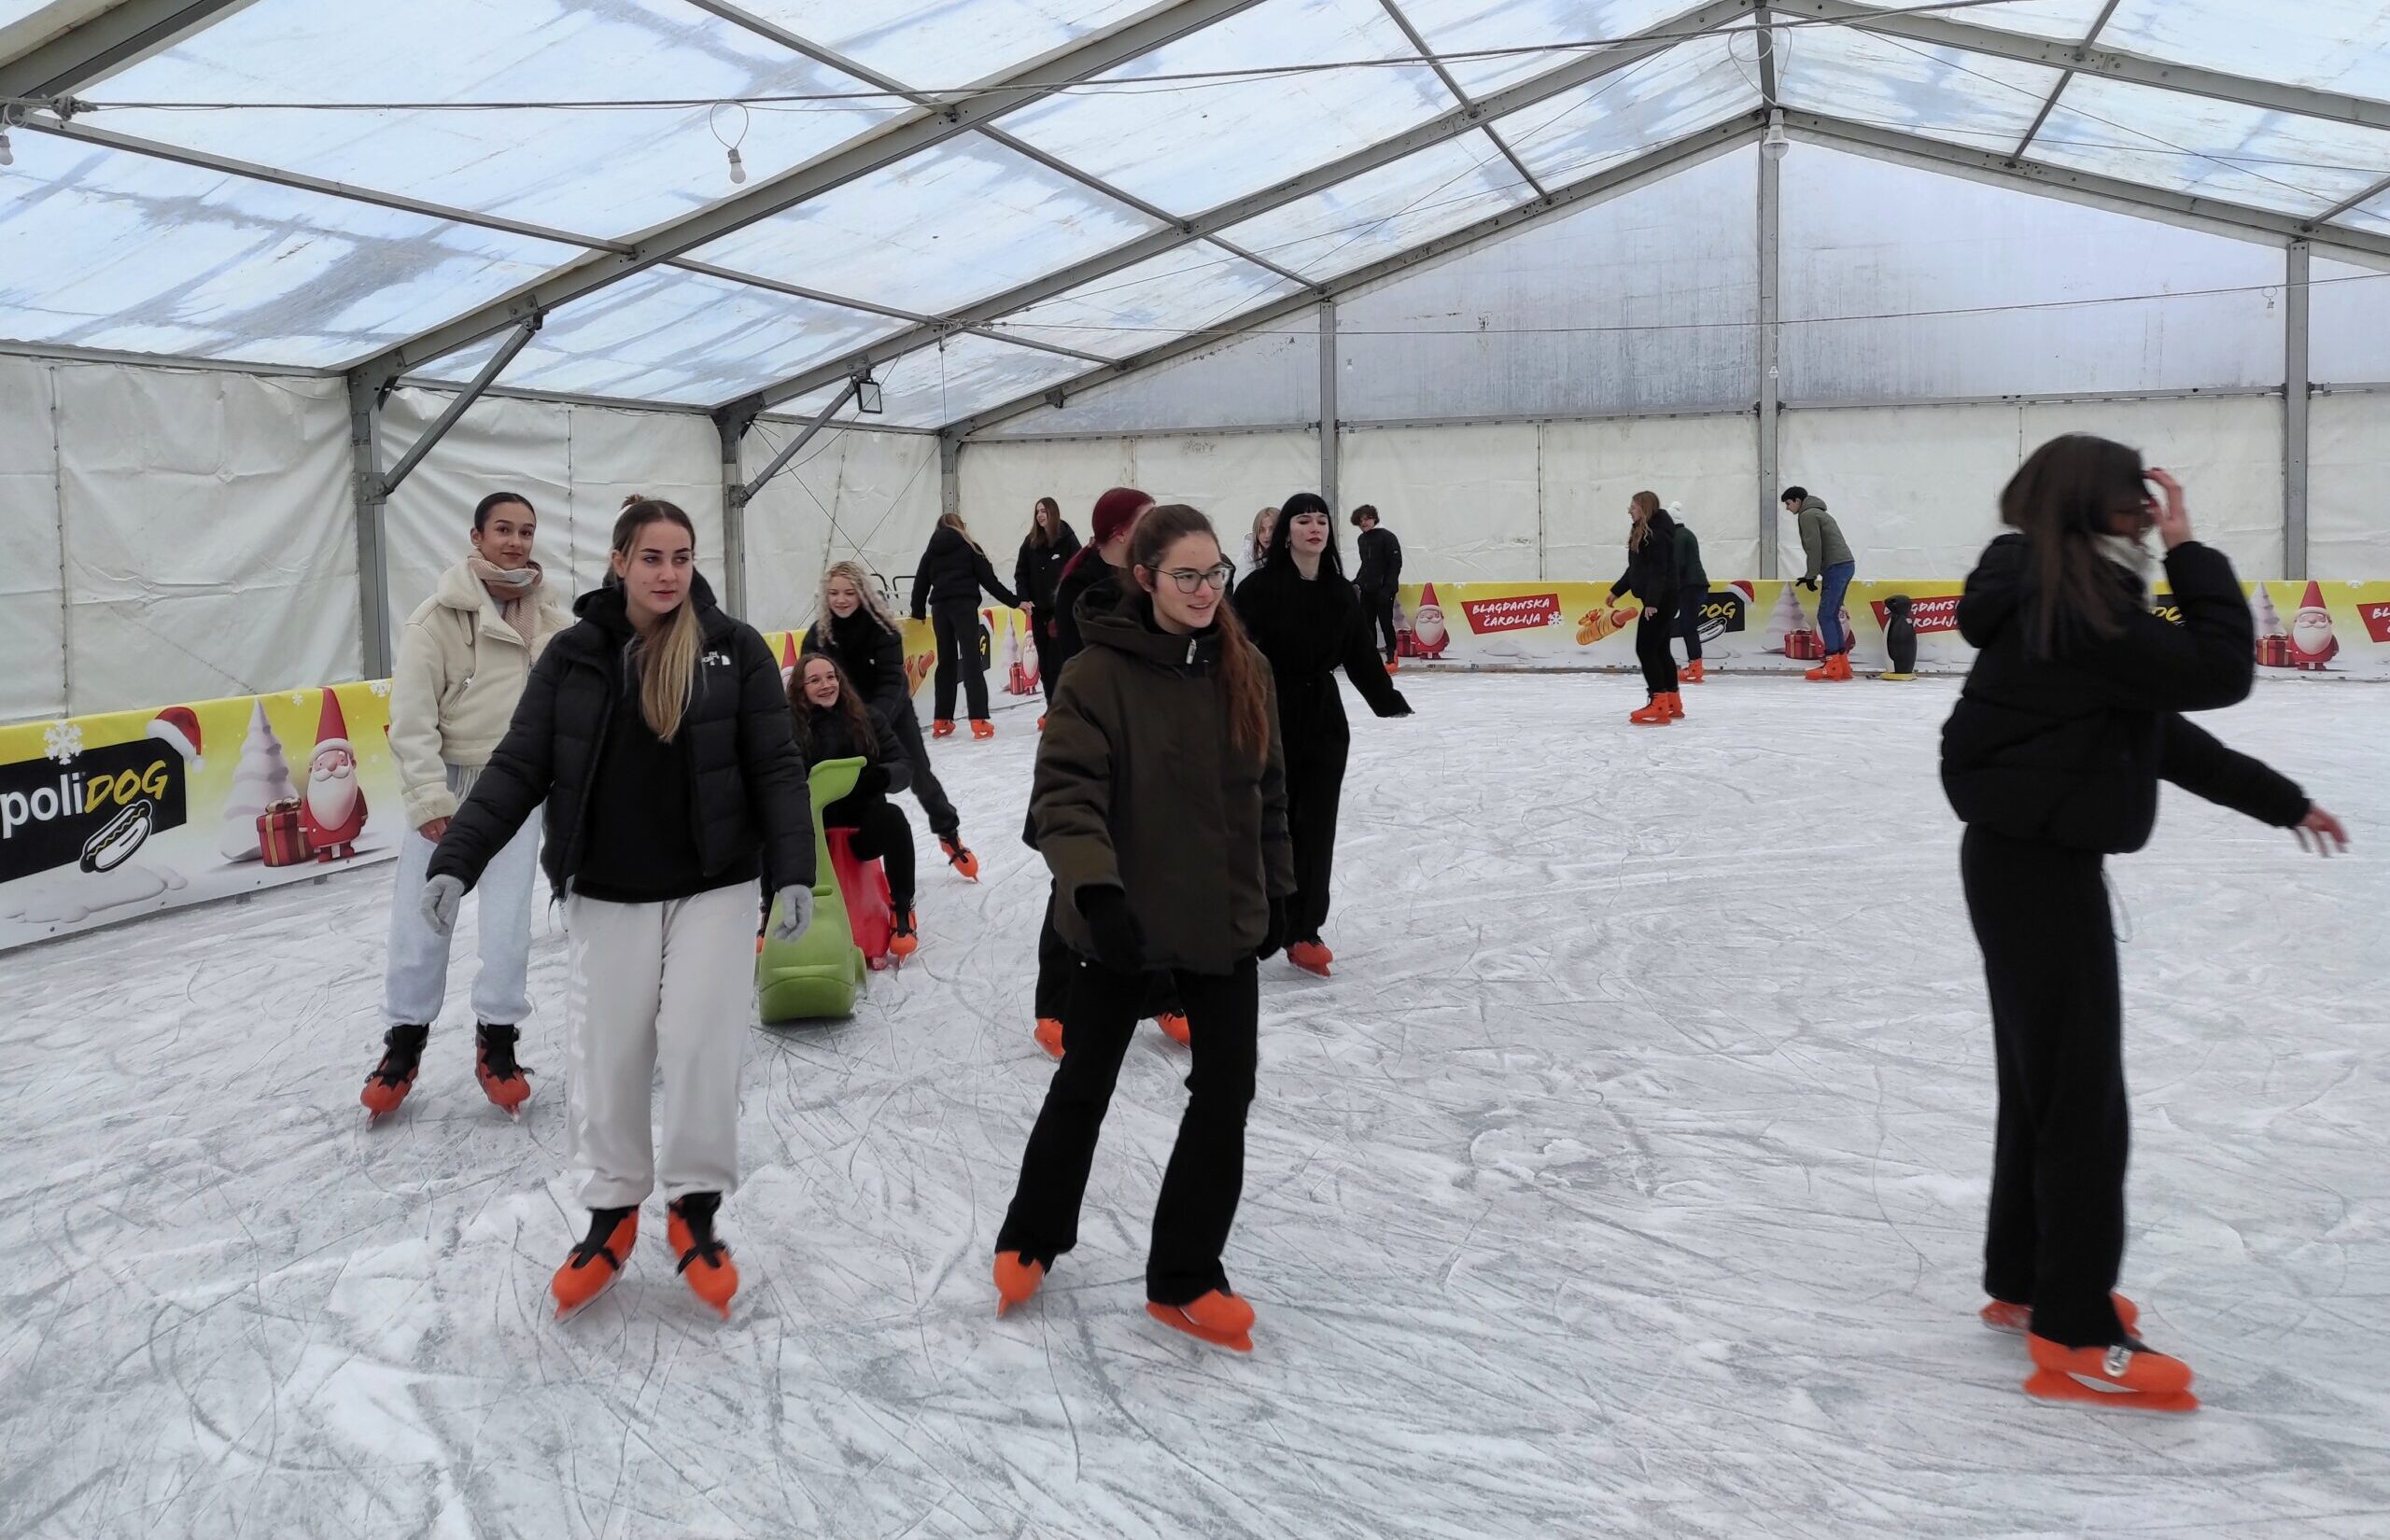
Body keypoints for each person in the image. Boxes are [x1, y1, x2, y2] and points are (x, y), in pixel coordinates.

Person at [1941, 437, 2348, 1411]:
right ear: (2097, 506)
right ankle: (2074, 1333)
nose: (2149, 513)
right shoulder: (2072, 602)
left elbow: (2153, 732)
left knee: (2044, 1086)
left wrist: (2280, 800)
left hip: (2025, 859)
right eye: (2136, 500)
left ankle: (2027, 1280)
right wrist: (2190, 549)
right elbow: (2218, 670)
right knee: (2081, 1102)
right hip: (2036, 867)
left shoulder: (2054, 592)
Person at [423, 497, 815, 1322]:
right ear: (619, 562)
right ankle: (611, 1216)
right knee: (609, 1053)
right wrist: (457, 857)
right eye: (651, 558)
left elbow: (775, 766)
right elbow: (519, 764)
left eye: (681, 557)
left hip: (715, 883)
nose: (668, 574)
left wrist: (792, 873)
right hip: (608, 886)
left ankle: (695, 1210)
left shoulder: (734, 649)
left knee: (702, 1042)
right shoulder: (574, 655)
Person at [993, 504, 1295, 1352]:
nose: (1203, 591)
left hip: (1221, 918)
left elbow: (1270, 792)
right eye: (1184, 576)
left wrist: (1278, 891)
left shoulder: (1246, 667)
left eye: (1214, 574)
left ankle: (1186, 1276)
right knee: (1085, 1083)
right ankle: (1032, 1233)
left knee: (1226, 1093)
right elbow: (1065, 796)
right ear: (1145, 579)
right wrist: (1097, 894)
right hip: (1120, 920)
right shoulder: (1096, 676)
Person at [365, 492, 572, 1123]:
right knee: (424, 916)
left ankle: (498, 1039)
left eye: (526, 531)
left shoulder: (553, 620)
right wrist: (430, 797)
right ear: (477, 536)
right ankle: (404, 1041)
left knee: (508, 924)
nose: (516, 541)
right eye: (503, 529)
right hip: (453, 783)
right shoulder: (436, 620)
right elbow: (411, 722)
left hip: (517, 785)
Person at [1024, 486, 1186, 1056]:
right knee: (1077, 876)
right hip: (1091, 746)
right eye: (1147, 519)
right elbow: (1089, 673)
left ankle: (1165, 993)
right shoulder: (1082, 588)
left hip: (1150, 745)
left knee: (1154, 870)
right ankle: (1056, 1005)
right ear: (1120, 532)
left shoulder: (1152, 576)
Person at [1230, 491, 1410, 977]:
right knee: (1270, 822)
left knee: (1317, 826)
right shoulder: (1258, 589)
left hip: (1324, 718)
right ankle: (1257, 922)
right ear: (1286, 532)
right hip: (1269, 713)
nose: (1314, 528)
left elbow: (1360, 653)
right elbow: (1233, 654)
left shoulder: (1340, 592)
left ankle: (1305, 930)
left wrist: (1387, 699)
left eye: (1322, 521)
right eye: (1304, 521)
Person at [803, 562, 978, 882]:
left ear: (862, 594)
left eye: (849, 592)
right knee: (852, 783)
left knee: (918, 774)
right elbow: (806, 678)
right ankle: (849, 855)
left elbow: (893, 681)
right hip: (842, 720)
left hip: (890, 715)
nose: (841, 600)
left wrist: (872, 719)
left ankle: (948, 831)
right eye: (834, 593)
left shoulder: (882, 629)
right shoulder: (819, 635)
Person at [790, 654, 918, 957]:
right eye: (815, 680)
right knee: (774, 828)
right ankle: (771, 911)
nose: (826, 685)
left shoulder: (868, 718)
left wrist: (883, 776)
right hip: (815, 837)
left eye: (830, 677)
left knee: (894, 819)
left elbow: (903, 764)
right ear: (801, 688)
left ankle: (902, 908)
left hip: (862, 831)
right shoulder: (790, 727)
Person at [911, 511, 1020, 739]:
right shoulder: (970, 547)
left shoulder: (931, 551)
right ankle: (978, 720)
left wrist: (918, 611)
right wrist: (1015, 602)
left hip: (940, 610)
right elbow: (990, 582)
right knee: (971, 660)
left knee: (946, 663)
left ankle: (941, 720)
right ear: (960, 526)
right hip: (963, 607)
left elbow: (920, 583)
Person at [1608, 492, 1683, 726]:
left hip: (1661, 600)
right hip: (1663, 598)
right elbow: (1636, 570)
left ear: (1644, 508)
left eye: (1633, 507)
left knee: (1646, 649)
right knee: (1660, 650)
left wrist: (1652, 603)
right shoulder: (1644, 532)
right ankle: (1672, 701)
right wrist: (1617, 591)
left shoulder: (1655, 535)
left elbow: (1659, 571)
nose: (1629, 511)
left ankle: (1658, 702)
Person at [1781, 485, 1856, 681]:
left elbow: (1814, 547)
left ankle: (1832, 664)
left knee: (1825, 615)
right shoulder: (1819, 513)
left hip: (1836, 567)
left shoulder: (1807, 515)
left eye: (1788, 503)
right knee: (1831, 615)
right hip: (1845, 565)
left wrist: (1811, 575)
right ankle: (1842, 665)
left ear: (1797, 500)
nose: (1787, 508)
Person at [1014, 497, 1080, 713]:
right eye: (1037, 512)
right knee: (1044, 663)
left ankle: (1068, 706)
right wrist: (1024, 597)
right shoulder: (1030, 542)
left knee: (1061, 660)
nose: (1040, 515)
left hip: (1061, 612)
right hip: (1039, 612)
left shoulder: (1068, 540)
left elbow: (1079, 571)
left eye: (1044, 511)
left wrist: (1070, 600)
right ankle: (1052, 706)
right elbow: (1021, 573)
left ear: (1053, 513)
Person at [1351, 504, 1403, 669]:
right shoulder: (1361, 539)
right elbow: (1366, 564)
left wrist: (1389, 588)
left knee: (1386, 622)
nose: (1364, 523)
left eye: (1367, 519)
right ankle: (1371, 657)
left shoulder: (1387, 537)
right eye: (1360, 521)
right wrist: (1357, 581)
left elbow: (1395, 564)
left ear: (1374, 518)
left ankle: (1391, 655)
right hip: (1367, 589)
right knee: (1368, 624)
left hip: (1384, 589)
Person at [1671, 503, 1709, 684]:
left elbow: (1677, 563)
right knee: (1688, 625)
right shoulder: (1686, 533)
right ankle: (1695, 665)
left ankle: (1695, 667)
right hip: (1696, 585)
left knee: (1688, 626)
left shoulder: (1678, 536)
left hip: (1690, 586)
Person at [1243, 507, 1277, 575]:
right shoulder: (1247, 557)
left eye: (1273, 529)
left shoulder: (1295, 554)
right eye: (1262, 530)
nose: (1267, 535)